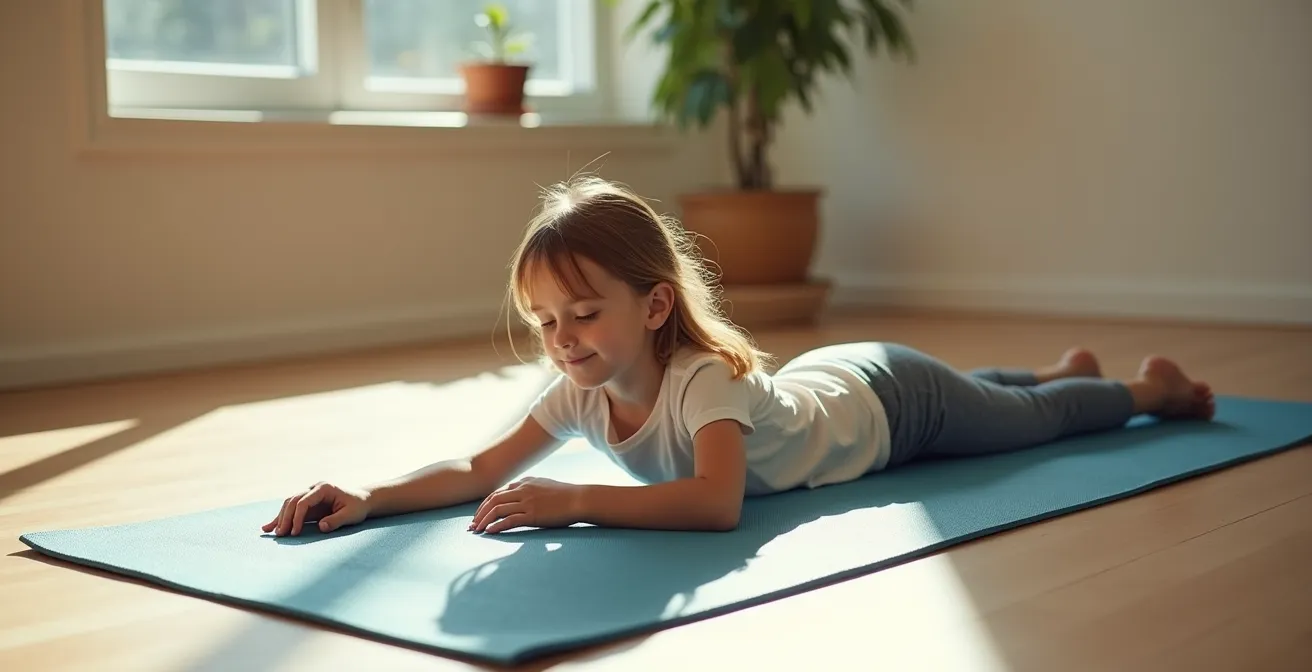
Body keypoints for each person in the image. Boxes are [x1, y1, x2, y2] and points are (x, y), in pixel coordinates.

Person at [262, 177, 1215, 538]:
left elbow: (716, 506)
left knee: (1029, 428)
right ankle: (1052, 369)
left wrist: (576, 500)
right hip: (842, 383)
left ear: (656, 306)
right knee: (1004, 398)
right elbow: (478, 470)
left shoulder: (699, 380)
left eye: (585, 314)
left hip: (893, 403)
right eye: (546, 321)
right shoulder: (581, 391)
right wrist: (372, 496)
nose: (563, 340)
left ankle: (1143, 390)